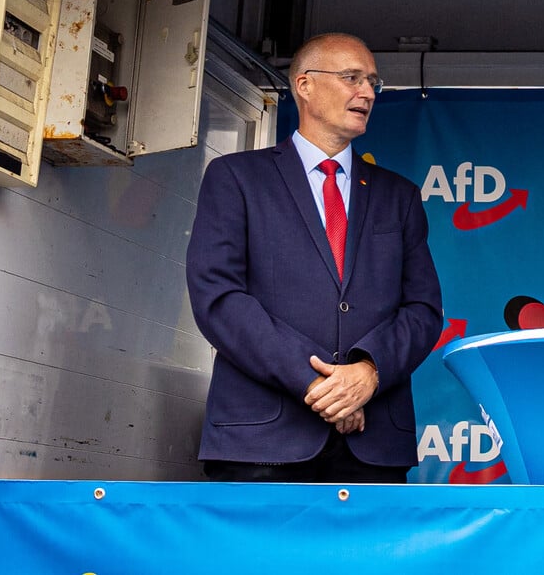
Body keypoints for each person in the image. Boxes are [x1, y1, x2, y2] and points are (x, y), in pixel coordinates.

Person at [186, 32, 442, 483]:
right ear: (304, 85)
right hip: (260, 442)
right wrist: (323, 387)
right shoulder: (236, 178)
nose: (366, 92)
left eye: (373, 83)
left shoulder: (399, 196)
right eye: (352, 78)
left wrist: (368, 373)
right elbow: (220, 298)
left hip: (373, 446)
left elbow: (422, 310)